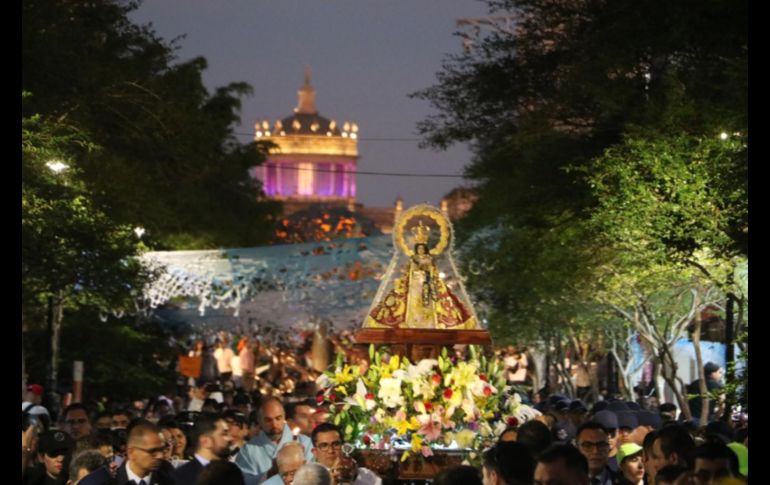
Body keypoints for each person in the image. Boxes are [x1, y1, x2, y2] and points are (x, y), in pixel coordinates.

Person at [235, 397, 313, 483]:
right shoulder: (248, 450)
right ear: (259, 420)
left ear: (284, 417)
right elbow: (243, 481)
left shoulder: (306, 443)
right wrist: (270, 473)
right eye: (268, 420)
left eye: (278, 418)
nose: (274, 424)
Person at [311, 423, 381, 485]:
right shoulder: (307, 478)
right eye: (324, 445)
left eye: (336, 444)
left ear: (344, 447)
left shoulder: (364, 475)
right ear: (315, 452)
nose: (331, 450)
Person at [173, 414, 232, 485]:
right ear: (205, 441)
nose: (230, 438)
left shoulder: (232, 473)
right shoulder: (181, 477)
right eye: (223, 434)